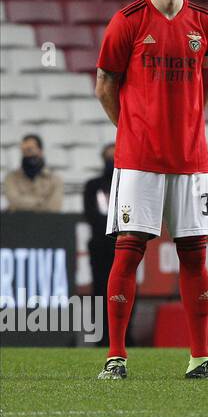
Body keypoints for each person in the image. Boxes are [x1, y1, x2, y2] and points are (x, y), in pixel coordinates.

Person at [94, 0, 208, 381]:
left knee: (195, 256)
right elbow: (104, 86)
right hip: (139, 162)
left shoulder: (206, 23)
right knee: (128, 252)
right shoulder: (127, 22)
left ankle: (200, 357)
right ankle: (116, 357)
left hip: (191, 161)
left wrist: (186, 123)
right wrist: (132, 129)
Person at [83, 143, 117, 345]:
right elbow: (90, 214)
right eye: (108, 158)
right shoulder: (93, 185)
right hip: (100, 246)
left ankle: (125, 335)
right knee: (100, 289)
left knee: (124, 289)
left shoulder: (129, 184)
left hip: (123, 245)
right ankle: (102, 336)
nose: (111, 162)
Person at [3, 134, 63, 212]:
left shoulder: (55, 179)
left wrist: (25, 203)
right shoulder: (11, 178)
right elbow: (14, 201)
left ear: (40, 151)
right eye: (24, 151)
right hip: (18, 223)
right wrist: (41, 202)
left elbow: (54, 207)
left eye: (30, 149)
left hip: (45, 223)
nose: (27, 154)